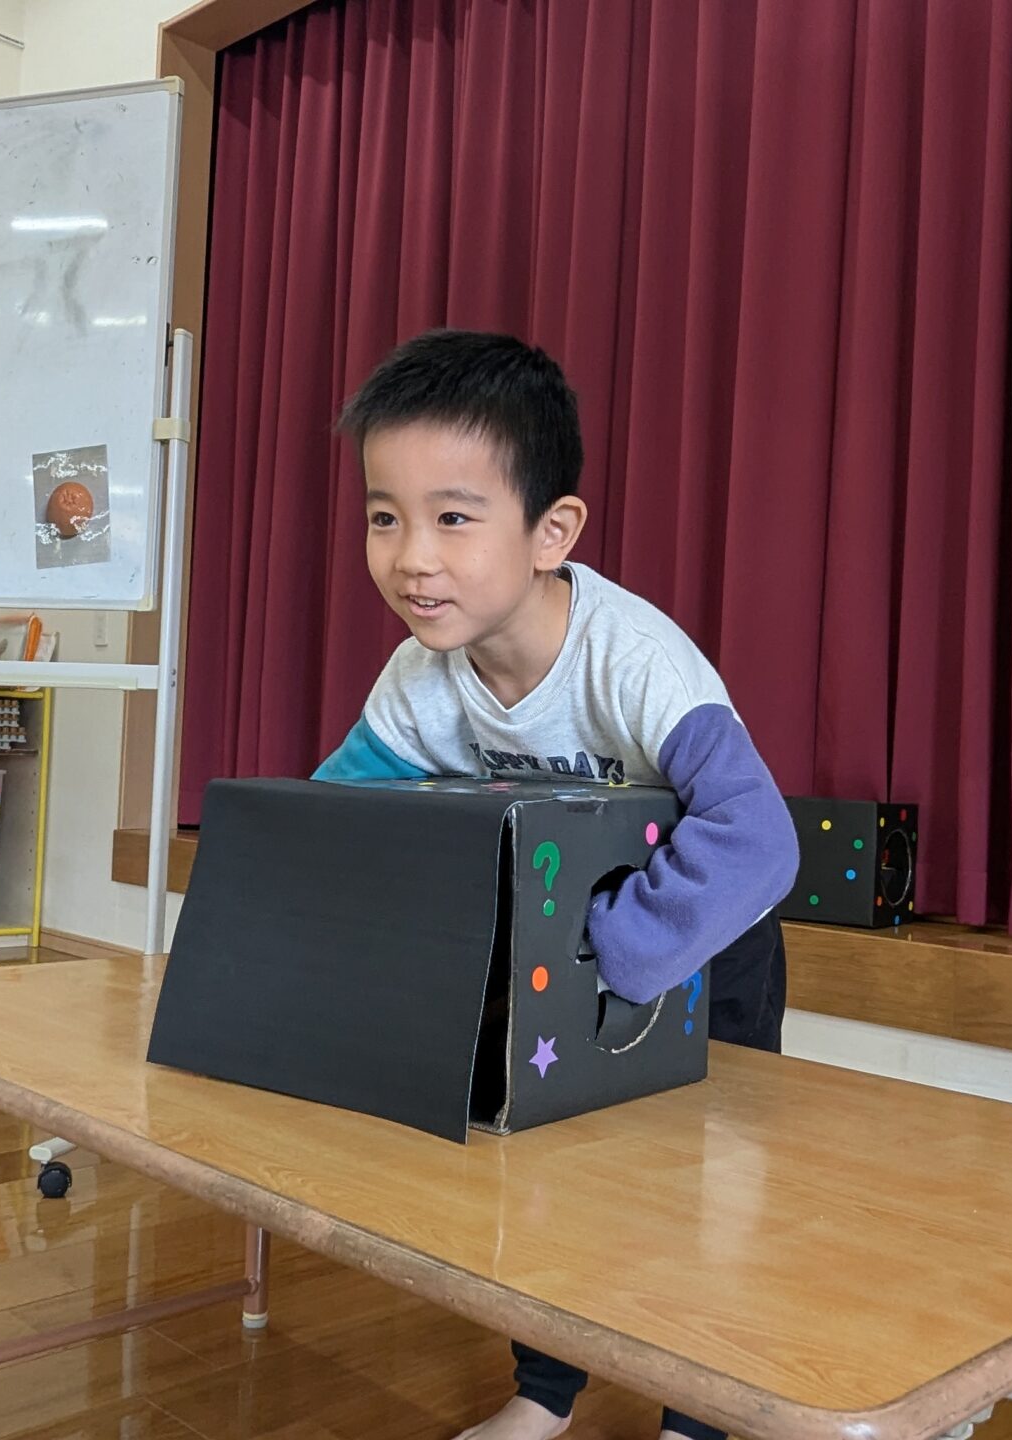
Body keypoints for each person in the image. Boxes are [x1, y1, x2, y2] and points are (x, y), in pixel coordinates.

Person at [313, 329, 797, 1440]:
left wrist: (605, 951)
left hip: (697, 946)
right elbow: (337, 824)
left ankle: (699, 1420)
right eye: (384, 517)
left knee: (705, 1188)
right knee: (543, 1173)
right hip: (553, 955)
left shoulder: (634, 661)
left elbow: (757, 842)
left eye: (452, 517)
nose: (412, 557)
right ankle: (545, 1395)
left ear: (551, 532)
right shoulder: (420, 678)